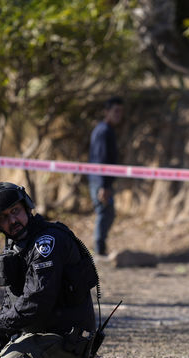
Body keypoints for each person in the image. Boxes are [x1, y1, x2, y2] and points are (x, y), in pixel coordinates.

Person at [0, 181, 105, 358]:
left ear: (27, 207)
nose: (12, 221)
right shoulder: (17, 245)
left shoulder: (47, 243)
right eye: (4, 218)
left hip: (65, 338)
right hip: (39, 336)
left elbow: (36, 301)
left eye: (15, 211)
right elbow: (13, 300)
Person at [88, 96, 124, 256]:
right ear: (107, 112)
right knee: (105, 212)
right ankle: (99, 247)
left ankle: (99, 246)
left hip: (100, 180)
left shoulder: (105, 129)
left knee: (107, 212)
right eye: (115, 111)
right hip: (99, 181)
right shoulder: (104, 131)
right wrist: (104, 185)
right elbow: (101, 159)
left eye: (120, 111)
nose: (119, 114)